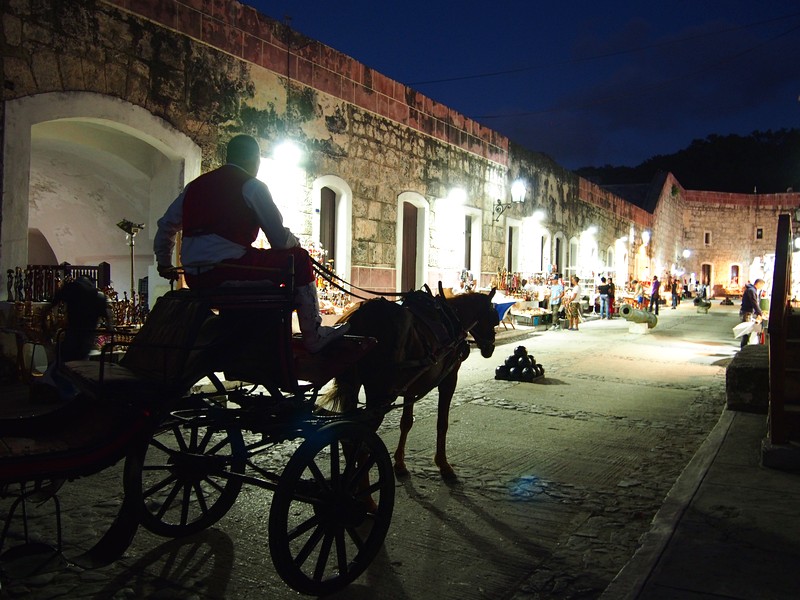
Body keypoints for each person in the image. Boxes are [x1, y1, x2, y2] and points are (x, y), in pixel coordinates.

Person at [153, 134, 348, 353]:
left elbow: (165, 226)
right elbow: (279, 240)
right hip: (232, 270)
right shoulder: (252, 186)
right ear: (255, 159)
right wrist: (296, 243)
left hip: (195, 277)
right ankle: (314, 334)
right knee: (300, 259)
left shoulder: (194, 187)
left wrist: (163, 262)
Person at [39, 276, 115, 400]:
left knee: (63, 368)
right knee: (77, 370)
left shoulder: (72, 288)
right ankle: (73, 396)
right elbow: (109, 324)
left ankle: (65, 395)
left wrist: (46, 328)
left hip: (72, 337)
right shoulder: (99, 296)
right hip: (86, 341)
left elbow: (48, 308)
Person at [739, 278, 765, 348]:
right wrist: (759, 313)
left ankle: (750, 345)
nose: (761, 288)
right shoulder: (751, 290)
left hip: (749, 312)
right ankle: (744, 347)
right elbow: (754, 302)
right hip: (747, 312)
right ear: (758, 284)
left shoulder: (752, 290)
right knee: (747, 331)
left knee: (753, 330)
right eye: (761, 286)